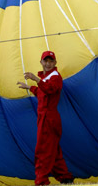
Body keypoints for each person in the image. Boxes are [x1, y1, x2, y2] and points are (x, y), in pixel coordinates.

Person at [17, 50, 74, 186]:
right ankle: (66, 179)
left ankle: (41, 182)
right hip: (45, 118)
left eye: (51, 61)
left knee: (43, 151)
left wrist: (35, 79)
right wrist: (29, 87)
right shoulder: (46, 78)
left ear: (55, 63)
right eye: (45, 61)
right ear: (41, 62)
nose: (48, 63)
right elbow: (41, 92)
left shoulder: (55, 77)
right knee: (53, 151)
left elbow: (49, 89)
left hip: (49, 118)